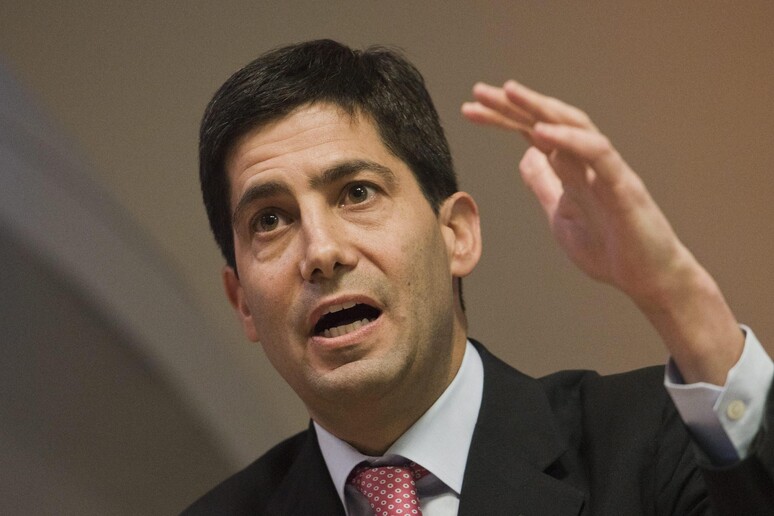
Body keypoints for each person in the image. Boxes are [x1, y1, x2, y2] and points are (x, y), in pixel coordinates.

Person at [183, 39, 774, 515]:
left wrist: (674, 294)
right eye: (270, 220)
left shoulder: (654, 442)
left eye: (357, 192)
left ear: (457, 234)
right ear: (243, 303)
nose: (321, 251)